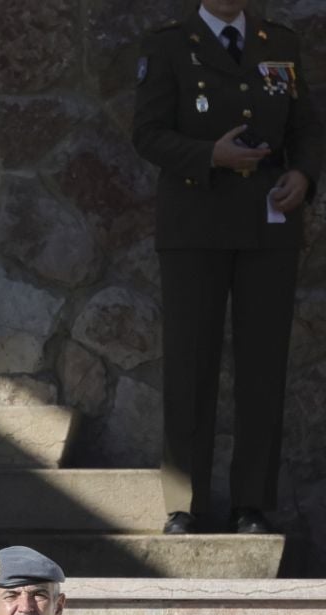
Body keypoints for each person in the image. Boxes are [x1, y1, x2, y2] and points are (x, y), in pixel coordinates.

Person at [133, 2, 321, 536]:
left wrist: (305, 175)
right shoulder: (169, 43)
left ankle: (251, 505)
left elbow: (305, 126)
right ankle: (184, 504)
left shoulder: (277, 43)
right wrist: (208, 155)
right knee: (191, 364)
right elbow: (146, 133)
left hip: (269, 227)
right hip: (195, 226)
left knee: (263, 367)